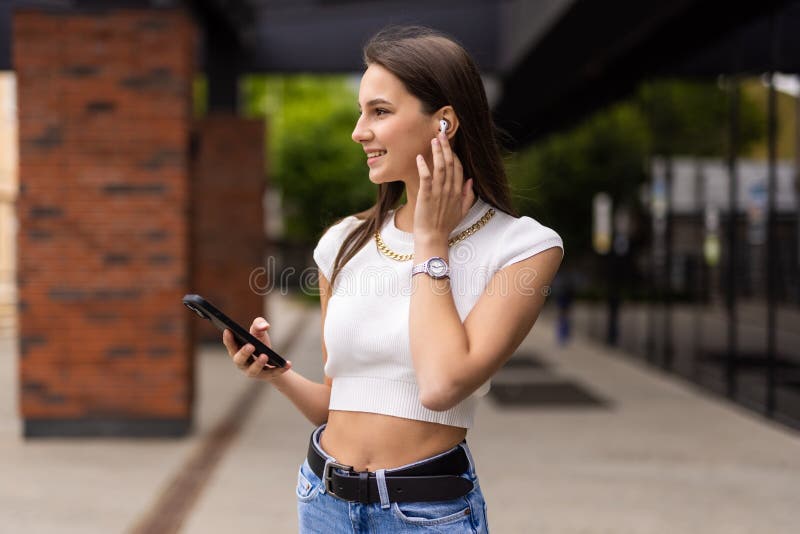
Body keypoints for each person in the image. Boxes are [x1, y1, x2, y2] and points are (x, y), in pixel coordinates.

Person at [222, 26, 563, 533]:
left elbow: (442, 385)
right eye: (362, 112)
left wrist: (431, 242)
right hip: (323, 500)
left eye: (379, 111)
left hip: (426, 513)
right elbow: (334, 405)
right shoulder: (344, 242)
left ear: (444, 122)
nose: (359, 131)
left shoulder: (522, 248)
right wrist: (279, 375)